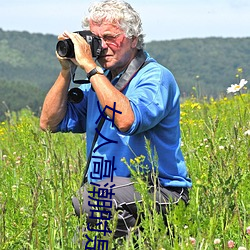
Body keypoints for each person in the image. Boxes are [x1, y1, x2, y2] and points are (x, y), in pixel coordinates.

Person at [40, 0, 192, 245]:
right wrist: (66, 70)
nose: (102, 47)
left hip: (161, 190)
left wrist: (90, 68)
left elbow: (127, 120)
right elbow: (49, 122)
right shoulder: (98, 83)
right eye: (96, 39)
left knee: (90, 199)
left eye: (110, 37)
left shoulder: (155, 77)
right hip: (112, 197)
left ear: (133, 39)